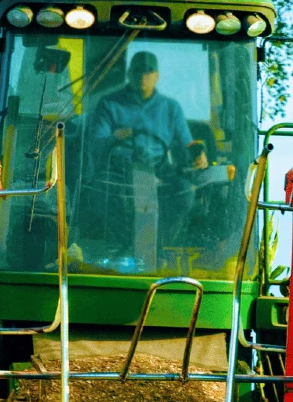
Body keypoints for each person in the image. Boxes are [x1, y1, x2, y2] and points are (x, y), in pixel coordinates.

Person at [82, 51, 209, 269]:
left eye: (149, 72)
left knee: (185, 193)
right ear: (129, 73)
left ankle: (159, 247)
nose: (143, 76)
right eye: (138, 71)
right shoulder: (109, 104)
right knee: (96, 196)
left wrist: (198, 154)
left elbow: (186, 143)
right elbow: (95, 143)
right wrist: (114, 137)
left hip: (160, 171)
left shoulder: (170, 108)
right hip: (117, 173)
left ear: (157, 76)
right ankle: (116, 248)